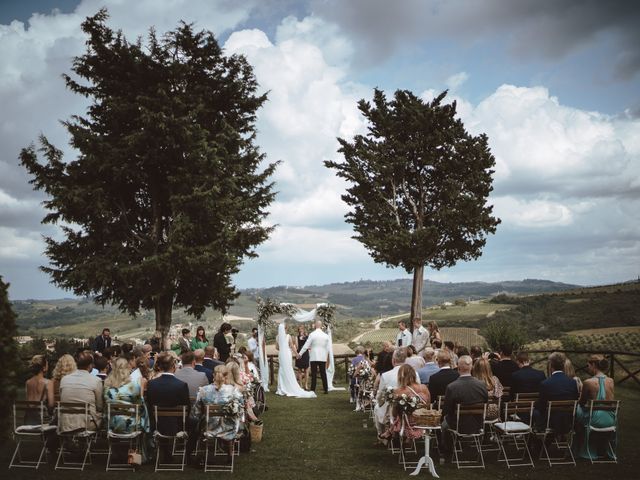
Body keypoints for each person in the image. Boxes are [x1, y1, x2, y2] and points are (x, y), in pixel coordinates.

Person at [192, 365, 244, 459]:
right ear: (227, 376)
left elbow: (196, 411)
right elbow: (240, 409)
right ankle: (230, 453)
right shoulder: (233, 391)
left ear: (213, 375)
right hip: (229, 428)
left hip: (208, 428)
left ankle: (204, 452)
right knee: (232, 420)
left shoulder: (203, 390)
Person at [442, 356, 488, 454]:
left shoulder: (452, 387)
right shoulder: (482, 385)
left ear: (458, 368)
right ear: (471, 367)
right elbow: (485, 404)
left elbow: (446, 410)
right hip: (477, 424)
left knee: (443, 424)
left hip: (457, 425)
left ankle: (446, 449)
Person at [574, 355, 616, 460]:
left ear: (593, 365)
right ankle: (602, 447)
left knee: (576, 408)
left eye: (588, 365)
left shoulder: (588, 382)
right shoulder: (611, 381)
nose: (588, 368)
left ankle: (577, 445)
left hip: (594, 420)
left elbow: (582, 402)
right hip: (611, 419)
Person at [373, 348, 419, 441]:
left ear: (393, 360)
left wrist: (378, 401)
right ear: (405, 360)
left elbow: (381, 395)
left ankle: (382, 435)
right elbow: (417, 392)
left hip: (392, 412)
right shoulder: (415, 374)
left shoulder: (386, 375)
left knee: (377, 408)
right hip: (410, 410)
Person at [381, 364, 431, 441]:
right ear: (413, 374)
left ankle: (390, 432)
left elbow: (395, 413)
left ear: (400, 376)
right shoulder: (424, 387)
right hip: (423, 420)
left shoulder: (399, 391)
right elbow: (428, 404)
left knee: (392, 412)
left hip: (407, 422)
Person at [146, 352, 191, 435]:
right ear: (174, 367)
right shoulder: (181, 385)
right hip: (176, 425)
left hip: (157, 424)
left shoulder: (151, 384)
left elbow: (149, 403)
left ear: (160, 367)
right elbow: (187, 406)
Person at [534, 352, 579, 432]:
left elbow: (542, 407)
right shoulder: (572, 382)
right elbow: (575, 400)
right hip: (568, 421)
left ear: (551, 366)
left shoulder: (545, 384)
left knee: (535, 412)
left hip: (551, 422)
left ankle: (539, 441)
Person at [59, 352, 103, 433]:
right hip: (87, 424)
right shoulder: (96, 380)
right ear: (90, 366)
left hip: (66, 423)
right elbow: (99, 406)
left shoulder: (64, 379)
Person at [103, 357, 148, 433]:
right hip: (131, 425)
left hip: (111, 424)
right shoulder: (133, 386)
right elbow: (140, 406)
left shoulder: (107, 387)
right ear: (127, 369)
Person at [276, 323, 316, 398]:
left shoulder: (277, 337)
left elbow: (277, 347)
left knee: (282, 369)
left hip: (281, 354)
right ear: (285, 329)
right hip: (287, 354)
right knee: (288, 368)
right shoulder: (288, 336)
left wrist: (282, 349)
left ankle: (282, 387)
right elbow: (292, 346)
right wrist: (297, 354)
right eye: (286, 328)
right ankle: (289, 386)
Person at [297, 320, 331, 395]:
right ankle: (326, 389)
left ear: (315, 325)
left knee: (314, 373)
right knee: (323, 373)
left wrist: (300, 354)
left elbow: (306, 345)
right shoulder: (326, 335)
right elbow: (328, 347)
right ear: (321, 326)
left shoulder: (312, 334)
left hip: (314, 356)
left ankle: (313, 389)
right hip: (322, 357)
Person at [24, 355, 55, 424]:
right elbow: (51, 404)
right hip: (41, 420)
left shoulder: (28, 382)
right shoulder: (48, 383)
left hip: (28, 419)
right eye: (47, 364)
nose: (48, 366)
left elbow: (28, 401)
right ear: (43, 368)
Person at [295, 324, 310, 390]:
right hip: (299, 354)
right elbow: (297, 346)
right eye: (299, 329)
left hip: (306, 354)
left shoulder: (307, 336)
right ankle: (300, 385)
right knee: (299, 370)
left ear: (304, 329)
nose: (300, 330)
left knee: (307, 370)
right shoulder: (296, 337)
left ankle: (306, 385)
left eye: (301, 329)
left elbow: (309, 345)